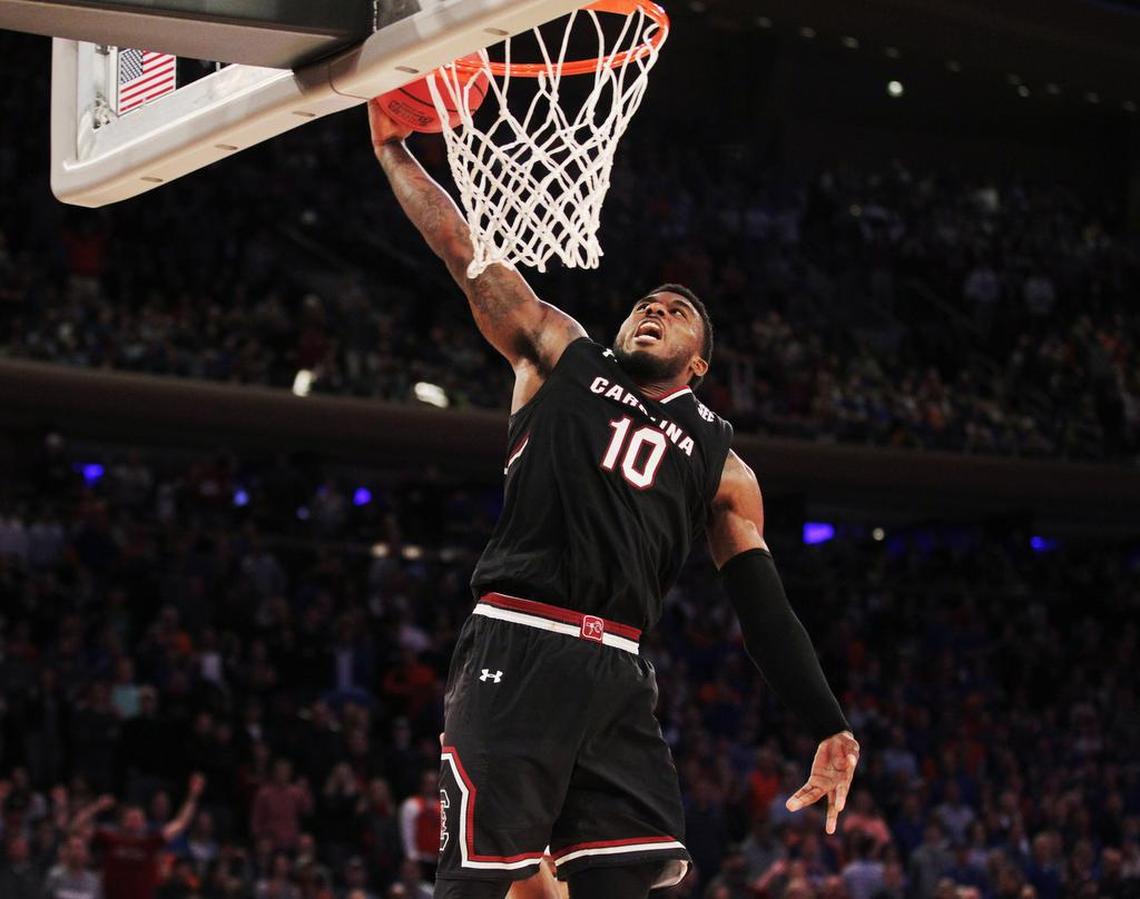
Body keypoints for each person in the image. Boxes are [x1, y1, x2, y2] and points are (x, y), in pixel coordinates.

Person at [368, 103, 860, 899]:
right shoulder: (560, 352)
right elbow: (463, 251)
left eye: (678, 312)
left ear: (698, 364)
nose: (655, 309)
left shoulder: (723, 465)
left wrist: (828, 721)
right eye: (646, 304)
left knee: (638, 880)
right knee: (486, 887)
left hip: (617, 672)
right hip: (518, 641)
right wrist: (395, 155)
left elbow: (765, 611)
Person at [73, 773, 206, 899]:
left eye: (139, 818)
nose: (135, 822)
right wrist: (97, 806)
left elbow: (181, 823)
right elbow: (76, 826)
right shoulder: (110, 838)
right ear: (123, 821)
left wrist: (193, 795)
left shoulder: (150, 841)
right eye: (131, 818)